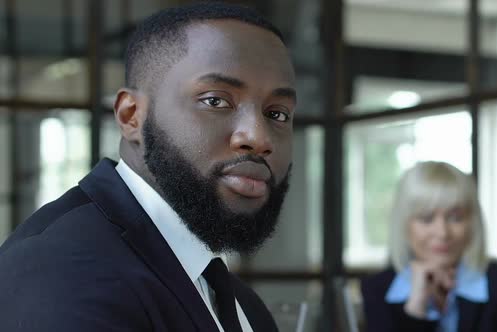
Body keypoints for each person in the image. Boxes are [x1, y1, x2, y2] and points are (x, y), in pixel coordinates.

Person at [0, 2, 297, 331]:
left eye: (277, 114)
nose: (258, 137)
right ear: (131, 116)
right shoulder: (60, 273)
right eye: (215, 100)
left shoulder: (239, 303)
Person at [361, 161, 497, 332]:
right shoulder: (377, 290)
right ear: (403, 225)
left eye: (455, 218)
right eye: (426, 218)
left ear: (472, 223)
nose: (442, 233)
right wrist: (416, 307)